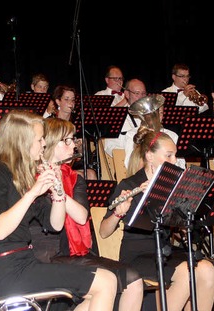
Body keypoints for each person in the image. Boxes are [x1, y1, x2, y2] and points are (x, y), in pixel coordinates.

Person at [0, 110, 117, 310]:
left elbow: (55, 225)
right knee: (105, 282)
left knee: (106, 281)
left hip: (25, 262)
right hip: (8, 271)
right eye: (40, 139)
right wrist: (32, 193)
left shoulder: (23, 176)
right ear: (22, 142)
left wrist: (58, 191)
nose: (43, 144)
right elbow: (0, 230)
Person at [99, 127, 214, 311]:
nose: (174, 161)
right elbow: (104, 232)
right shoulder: (130, 184)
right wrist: (118, 212)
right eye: (168, 156)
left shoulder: (173, 186)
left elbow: (180, 226)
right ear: (149, 156)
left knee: (208, 270)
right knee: (186, 274)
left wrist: (185, 218)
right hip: (138, 255)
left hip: (165, 251)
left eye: (175, 156)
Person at [37, 118, 144, 311]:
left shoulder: (74, 177)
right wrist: (47, 179)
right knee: (106, 283)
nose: (74, 144)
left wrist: (58, 187)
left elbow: (81, 216)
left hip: (78, 252)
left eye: (73, 139)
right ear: (51, 143)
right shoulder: (32, 176)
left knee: (134, 281)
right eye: (67, 140)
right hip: (50, 254)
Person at [47, 85, 97, 180]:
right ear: (58, 101)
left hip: (74, 164)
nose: (70, 103)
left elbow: (85, 157)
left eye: (73, 100)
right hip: (56, 163)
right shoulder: (50, 123)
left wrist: (81, 148)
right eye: (66, 99)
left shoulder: (78, 124)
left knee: (91, 174)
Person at [102, 79, 146, 157]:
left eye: (143, 93)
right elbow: (110, 146)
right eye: (137, 93)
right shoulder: (116, 117)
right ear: (127, 94)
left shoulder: (149, 115)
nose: (141, 97)